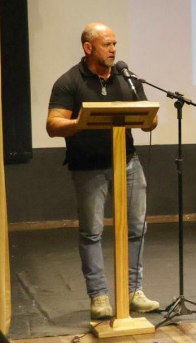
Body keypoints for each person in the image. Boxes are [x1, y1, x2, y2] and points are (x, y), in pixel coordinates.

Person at [46, 22, 160, 320]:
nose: (113, 49)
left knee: (137, 227)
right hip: (88, 168)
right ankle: (98, 297)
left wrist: (150, 119)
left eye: (115, 44)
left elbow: (148, 118)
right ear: (88, 48)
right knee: (92, 232)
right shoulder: (69, 81)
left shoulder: (127, 79)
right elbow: (53, 124)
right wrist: (80, 123)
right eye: (107, 44)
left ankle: (134, 291)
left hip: (128, 163)